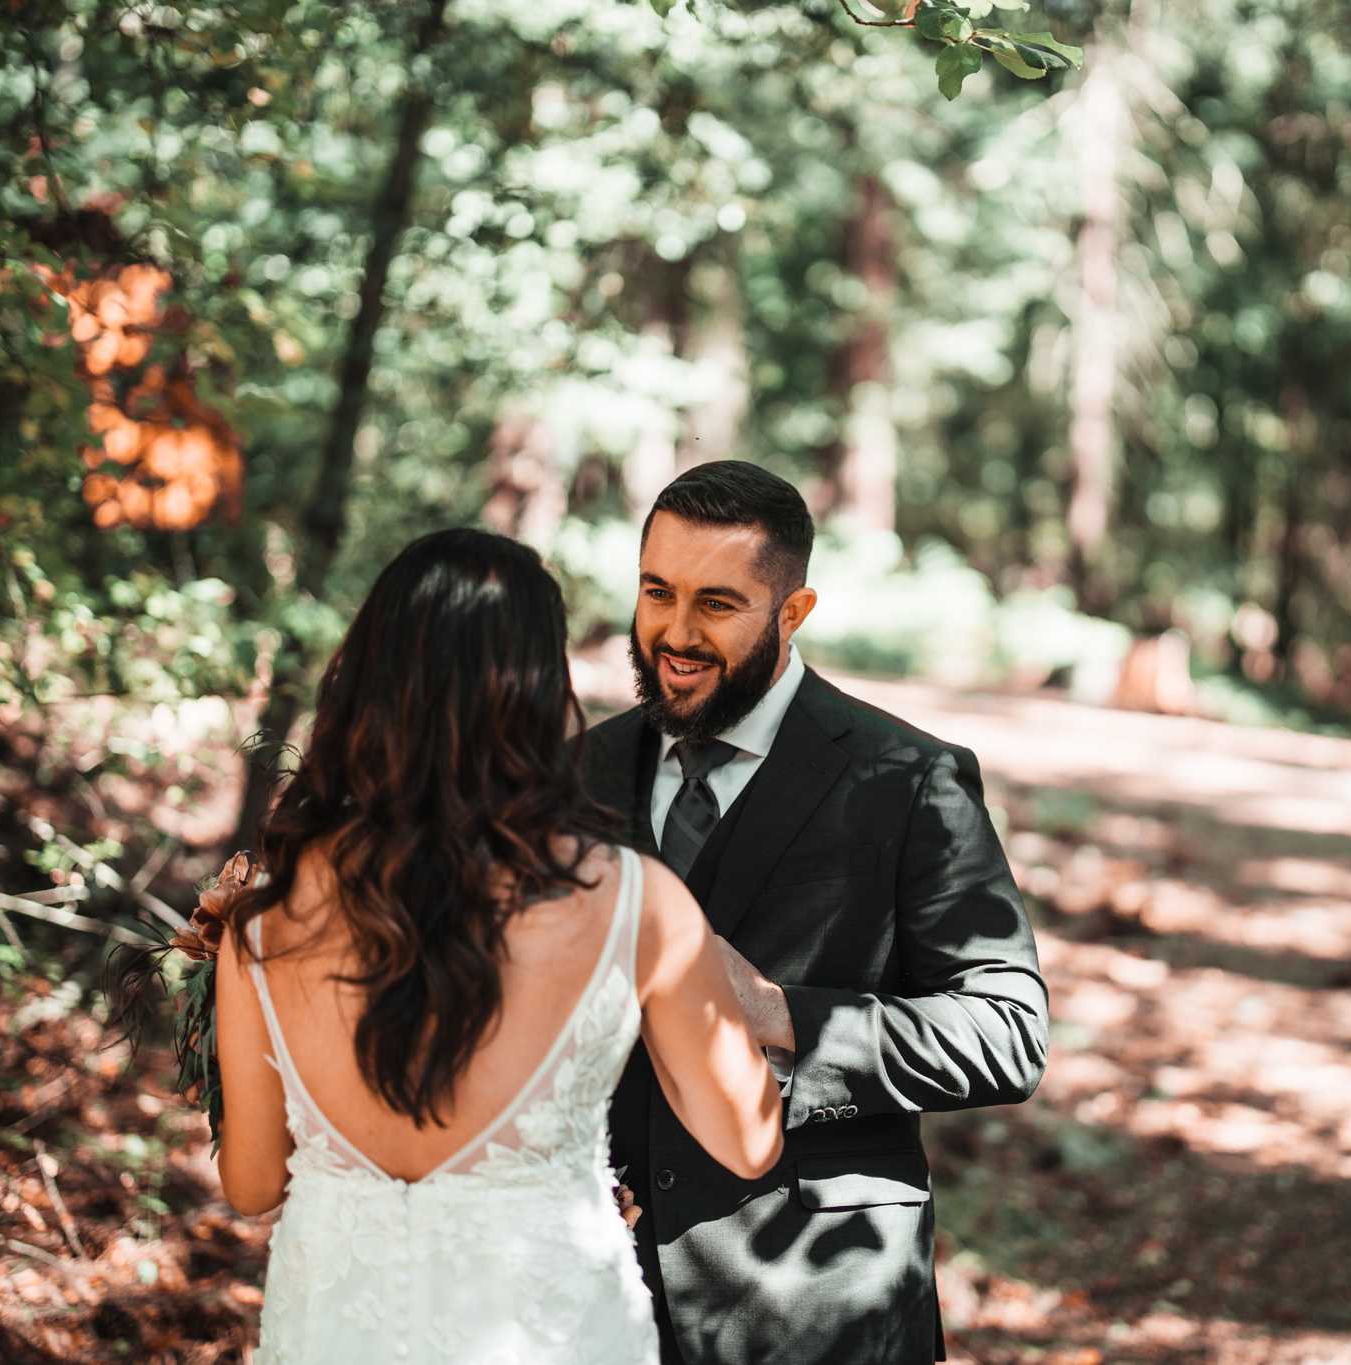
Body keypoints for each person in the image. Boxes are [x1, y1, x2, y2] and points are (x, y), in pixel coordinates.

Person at [209, 528, 783, 1364]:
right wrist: (744, 997)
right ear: (539, 691)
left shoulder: (262, 925)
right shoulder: (636, 905)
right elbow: (749, 1141)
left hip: (334, 1331)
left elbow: (253, 1182)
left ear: (366, 684)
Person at [588, 461, 1049, 1365]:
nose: (674, 633)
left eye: (717, 604)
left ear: (792, 613)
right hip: (593, 1297)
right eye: (656, 591)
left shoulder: (908, 780)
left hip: (815, 1307)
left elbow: (1007, 1033)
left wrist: (778, 1012)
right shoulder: (575, 773)